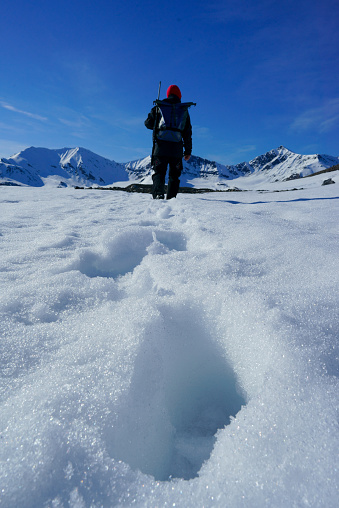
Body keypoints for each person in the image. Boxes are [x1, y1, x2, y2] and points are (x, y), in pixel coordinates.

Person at [145, 84, 193, 199]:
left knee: (159, 173)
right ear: (179, 95)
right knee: (174, 175)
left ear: (167, 94)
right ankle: (171, 199)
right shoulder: (183, 110)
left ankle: (158, 196)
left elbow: (148, 124)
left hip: (160, 147)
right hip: (176, 149)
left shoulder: (159, 107)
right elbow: (187, 132)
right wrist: (188, 151)